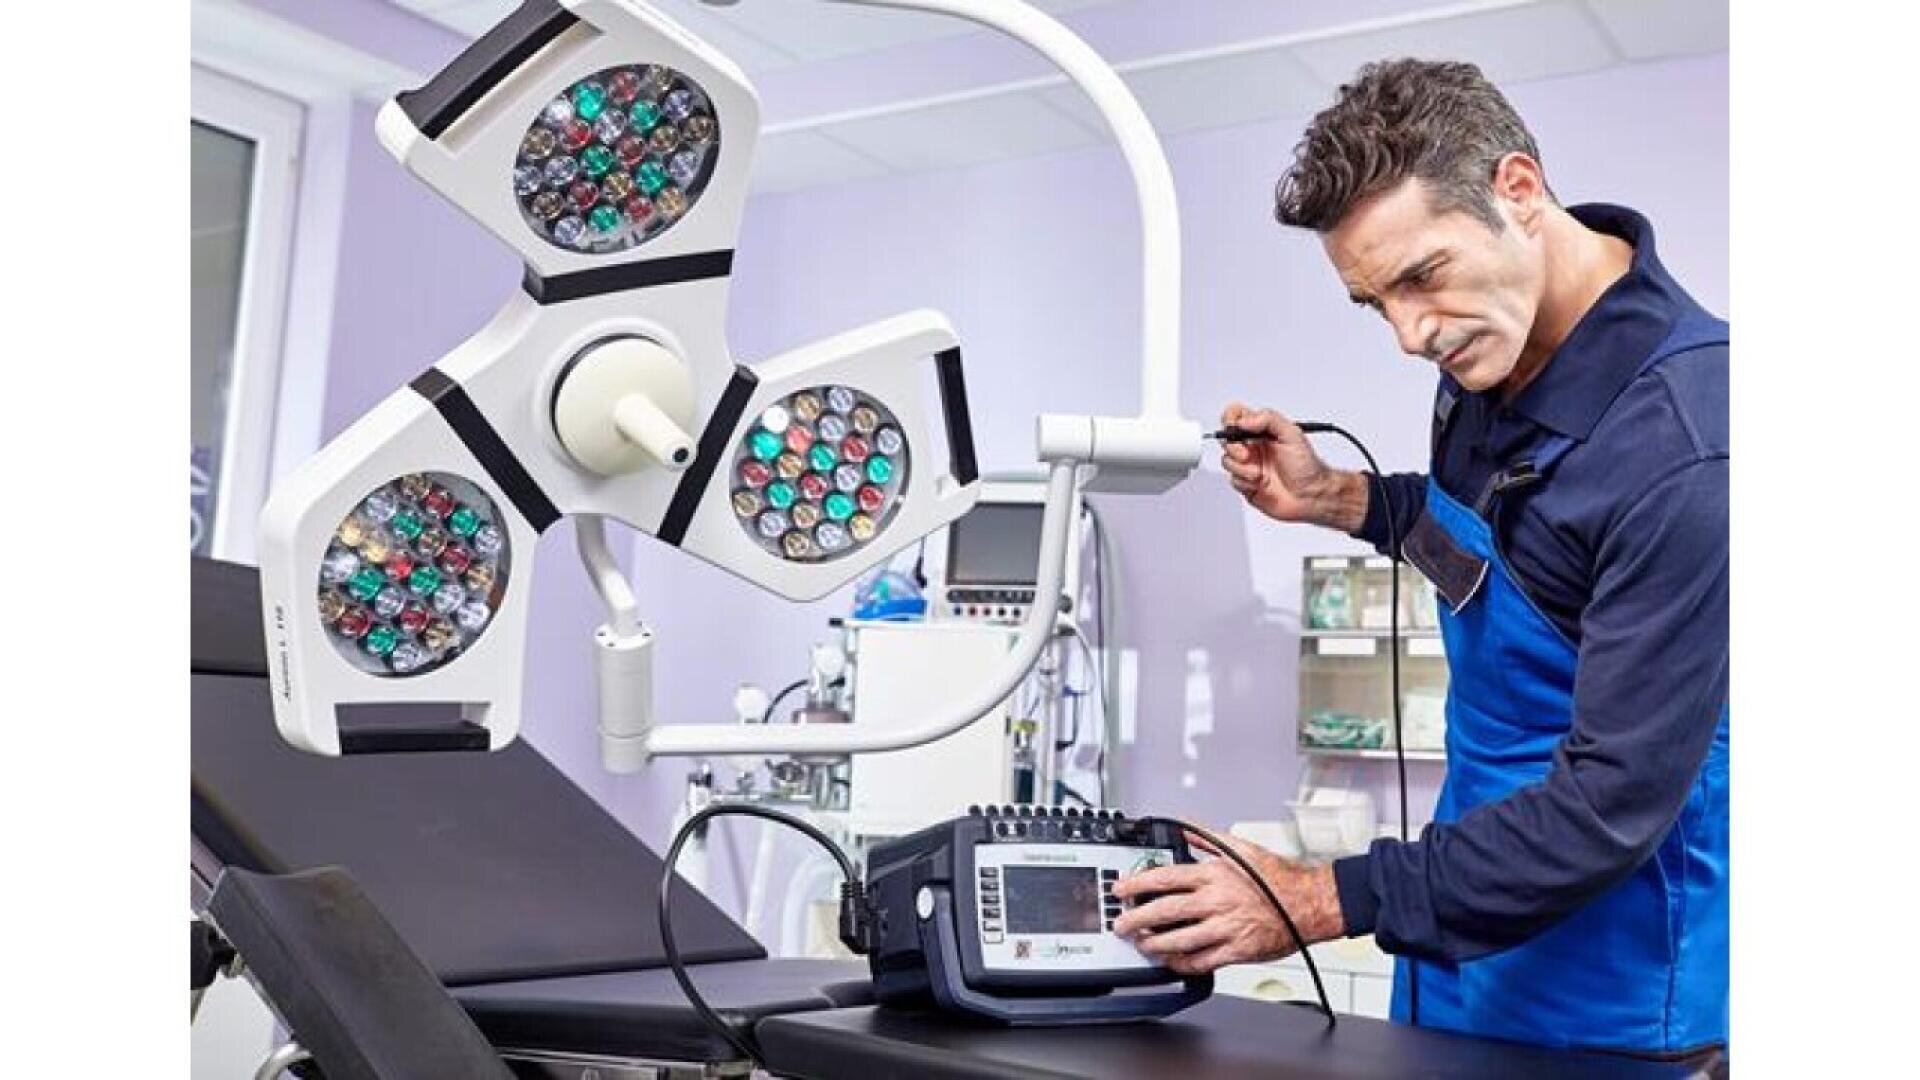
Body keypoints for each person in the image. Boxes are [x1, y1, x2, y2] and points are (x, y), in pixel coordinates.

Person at [1111, 58, 1728, 1068]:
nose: (1408, 335)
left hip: (1609, 979)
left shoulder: (1689, 447)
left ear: (1518, 191)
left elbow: (1609, 806)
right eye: (1375, 303)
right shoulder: (1489, 345)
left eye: (1419, 277)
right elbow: (1506, 543)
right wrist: (1338, 497)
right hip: (1459, 921)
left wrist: (1311, 899)